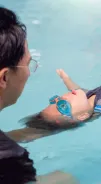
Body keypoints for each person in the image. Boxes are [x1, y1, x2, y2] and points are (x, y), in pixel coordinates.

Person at [0, 7, 78, 184]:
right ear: (4, 77)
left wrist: (41, 127)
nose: (28, 72)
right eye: (28, 64)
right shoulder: (9, 160)